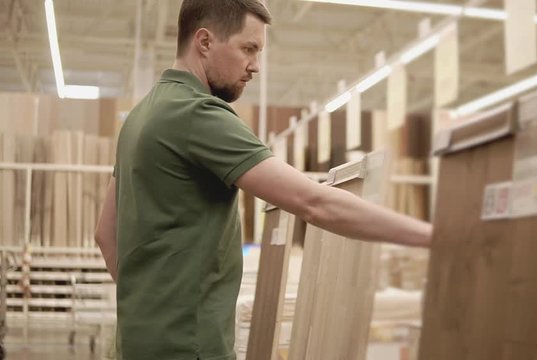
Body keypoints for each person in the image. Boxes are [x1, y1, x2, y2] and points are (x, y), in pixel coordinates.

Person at [94, 0, 433, 359]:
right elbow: (314, 203)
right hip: (189, 348)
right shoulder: (198, 114)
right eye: (248, 48)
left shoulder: (140, 116)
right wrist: (434, 237)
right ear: (205, 42)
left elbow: (105, 234)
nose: (255, 65)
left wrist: (153, 311)